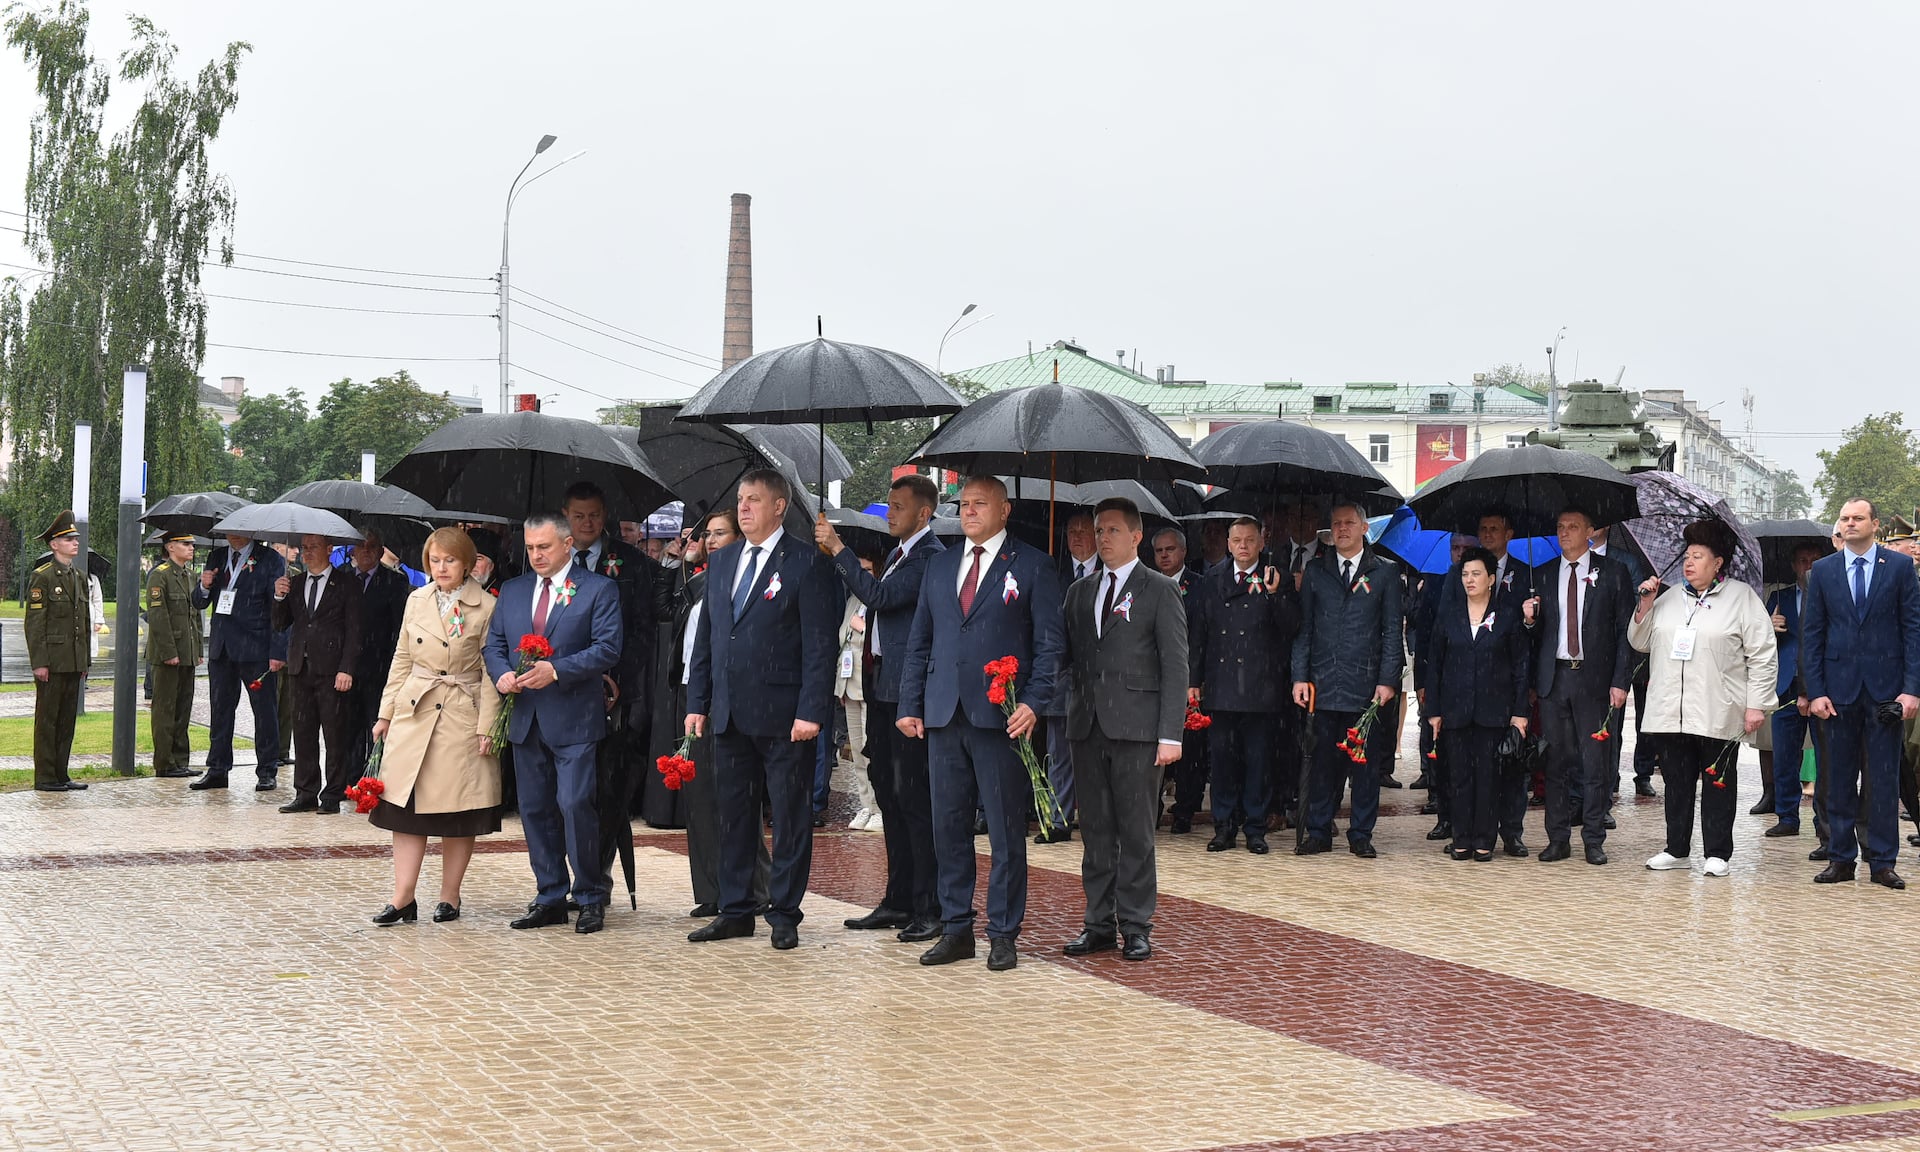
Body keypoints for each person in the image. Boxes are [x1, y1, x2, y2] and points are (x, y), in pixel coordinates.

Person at [898, 475, 1065, 972]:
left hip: (1002, 717)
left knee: (1005, 830)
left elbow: (1050, 646)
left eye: (979, 504)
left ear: (1004, 510)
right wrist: (910, 703)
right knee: (948, 827)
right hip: (944, 713)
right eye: (964, 504)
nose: (969, 511)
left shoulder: (1032, 564)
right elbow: (920, 641)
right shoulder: (940, 564)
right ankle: (956, 928)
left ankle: (1003, 932)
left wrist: (1034, 702)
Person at [685, 469, 839, 951]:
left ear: (778, 507)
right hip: (730, 713)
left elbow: (819, 646)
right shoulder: (723, 560)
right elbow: (709, 638)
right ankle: (735, 909)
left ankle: (785, 912)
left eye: (754, 499)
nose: (744, 507)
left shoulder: (806, 563)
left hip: (786, 715)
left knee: (789, 816)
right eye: (741, 499)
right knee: (733, 815)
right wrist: (698, 702)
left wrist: (811, 710)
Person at [817, 474, 947, 942]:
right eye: (889, 505)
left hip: (907, 694)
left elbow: (881, 598)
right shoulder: (897, 555)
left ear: (923, 513)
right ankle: (898, 897)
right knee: (889, 794)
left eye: (898, 506)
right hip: (882, 687)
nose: (889, 514)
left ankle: (928, 905)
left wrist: (838, 549)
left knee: (912, 799)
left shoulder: (929, 557)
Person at [1057, 498, 1186, 963]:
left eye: (1112, 529)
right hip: (1087, 725)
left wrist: (1170, 734)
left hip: (1138, 728)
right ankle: (1097, 923)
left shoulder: (1159, 589)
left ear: (1136, 536)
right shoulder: (1079, 591)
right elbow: (1066, 656)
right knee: (1095, 831)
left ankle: (1135, 924)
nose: (1103, 537)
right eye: (1098, 530)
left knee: (1135, 832)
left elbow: (1175, 664)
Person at [484, 512, 624, 933]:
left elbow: (608, 648)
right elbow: (494, 644)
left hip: (575, 717)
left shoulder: (598, 588)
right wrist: (501, 674)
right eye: (530, 548)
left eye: (544, 546)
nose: (536, 555)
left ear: (567, 544)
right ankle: (549, 895)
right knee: (534, 808)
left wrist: (557, 669)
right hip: (525, 716)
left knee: (575, 804)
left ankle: (590, 895)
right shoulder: (513, 590)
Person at [365, 528, 504, 924]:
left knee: (457, 810)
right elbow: (402, 658)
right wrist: (385, 713)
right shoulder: (416, 599)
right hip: (415, 710)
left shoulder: (487, 606)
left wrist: (487, 726)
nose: (441, 568)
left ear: (468, 563)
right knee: (404, 809)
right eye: (435, 560)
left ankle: (450, 896)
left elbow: (491, 671)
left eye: (450, 560)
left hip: (461, 713)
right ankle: (402, 897)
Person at [1630, 520, 1776, 876]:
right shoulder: (1668, 597)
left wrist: (1756, 704)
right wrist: (1645, 604)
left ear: (1718, 562)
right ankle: (1676, 848)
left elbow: (1762, 653)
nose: (1689, 562)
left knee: (1718, 781)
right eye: (1687, 556)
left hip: (1718, 707)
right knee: (1676, 782)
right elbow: (1640, 642)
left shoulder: (1741, 598)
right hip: (1670, 708)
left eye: (1698, 556)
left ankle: (1717, 853)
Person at [1802, 498, 1920, 890]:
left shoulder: (1899, 567)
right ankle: (1840, 858)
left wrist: (1911, 690)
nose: (1850, 523)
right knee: (1837, 779)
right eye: (1844, 518)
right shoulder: (1823, 570)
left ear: (1875, 524)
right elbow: (1812, 634)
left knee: (1883, 780)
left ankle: (1882, 862)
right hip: (1837, 692)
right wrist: (1815, 691)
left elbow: (1913, 630)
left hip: (1887, 691)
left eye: (1858, 518)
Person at [562, 481, 674, 896]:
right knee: (567, 794)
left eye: (594, 515)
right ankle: (564, 878)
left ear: (605, 515)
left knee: (607, 790)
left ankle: (595, 880)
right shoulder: (551, 562)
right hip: (563, 692)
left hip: (617, 696)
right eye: (578, 516)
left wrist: (616, 675)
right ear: (566, 516)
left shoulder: (631, 562)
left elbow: (645, 629)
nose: (587, 523)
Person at [1521, 508, 1635, 866]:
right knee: (1555, 762)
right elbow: (1534, 637)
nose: (1564, 532)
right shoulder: (1542, 574)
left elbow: (1624, 633)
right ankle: (1557, 838)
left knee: (1594, 762)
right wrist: (1529, 621)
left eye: (1572, 527)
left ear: (1589, 532)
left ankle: (1594, 838)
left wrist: (1620, 681)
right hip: (1554, 679)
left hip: (1594, 679)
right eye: (1560, 527)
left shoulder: (1613, 573)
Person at [1291, 501, 1404, 858]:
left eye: (1349, 523)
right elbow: (1304, 629)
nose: (1342, 529)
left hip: (1365, 684)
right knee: (1323, 763)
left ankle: (1361, 833)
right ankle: (1319, 831)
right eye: (1336, 523)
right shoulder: (1316, 570)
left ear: (1364, 528)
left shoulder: (1384, 572)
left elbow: (1391, 630)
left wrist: (1387, 680)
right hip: (1323, 682)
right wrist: (1299, 676)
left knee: (1365, 765)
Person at [673, 509, 770, 917]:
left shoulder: (745, 583)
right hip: (691, 693)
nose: (711, 541)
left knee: (735, 799)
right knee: (700, 798)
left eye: (720, 534)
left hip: (728, 696)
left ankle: (755, 888)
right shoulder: (699, 582)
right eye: (707, 535)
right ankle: (712, 889)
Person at [1188, 516, 1300, 854]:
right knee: (1222, 762)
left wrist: (1276, 595)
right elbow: (1200, 634)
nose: (1243, 546)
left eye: (1250, 540)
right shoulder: (1212, 579)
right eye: (1237, 540)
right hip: (1221, 684)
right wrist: (1193, 680)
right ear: (1228, 543)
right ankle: (1223, 826)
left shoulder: (1275, 576)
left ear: (1261, 542)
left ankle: (1255, 827)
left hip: (1260, 684)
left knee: (1258, 762)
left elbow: (1292, 627)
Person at [1419, 547, 1533, 861]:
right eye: (1465, 574)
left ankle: (1484, 839)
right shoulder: (1449, 615)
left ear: (1491, 579)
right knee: (1457, 777)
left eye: (1477, 574)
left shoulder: (1507, 615)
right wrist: (1434, 711)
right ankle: (1461, 838)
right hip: (1454, 710)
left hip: (1494, 711)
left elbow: (1521, 667)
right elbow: (1435, 665)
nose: (1470, 580)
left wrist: (1519, 713)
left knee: (1488, 778)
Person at [272, 534, 365, 814]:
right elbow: (280, 623)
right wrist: (279, 596)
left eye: (313, 547)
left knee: (334, 734)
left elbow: (355, 630)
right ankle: (305, 792)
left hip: (332, 669)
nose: (307, 552)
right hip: (300, 668)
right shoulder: (297, 582)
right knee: (303, 733)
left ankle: (333, 794)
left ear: (329, 549)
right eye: (304, 548)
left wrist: (346, 668)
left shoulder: (346, 583)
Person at [191, 530, 287, 792]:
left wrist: (278, 651)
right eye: (228, 530)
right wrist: (204, 586)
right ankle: (217, 768)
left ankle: (267, 770)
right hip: (222, 648)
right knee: (220, 710)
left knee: (264, 712)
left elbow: (279, 607)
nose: (233, 535)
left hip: (255, 647)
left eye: (239, 530)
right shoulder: (217, 556)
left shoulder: (269, 558)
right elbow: (199, 602)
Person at [1039, 510, 1100, 844]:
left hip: (1100, 680)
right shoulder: (1053, 573)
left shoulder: (1108, 573)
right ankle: (1058, 818)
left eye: (1083, 530)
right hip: (1061, 678)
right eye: (1071, 531)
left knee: (1095, 755)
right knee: (1059, 754)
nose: (1077, 536)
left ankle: (1096, 819)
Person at [25, 511, 91, 793]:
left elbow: (84, 622)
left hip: (73, 660)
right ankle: (45, 777)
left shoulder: (79, 576)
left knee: (66, 721)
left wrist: (84, 660)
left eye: (75, 538)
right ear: (54, 544)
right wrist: (39, 662)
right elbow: (35, 624)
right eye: (68, 539)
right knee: (48, 721)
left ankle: (61, 774)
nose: (75, 542)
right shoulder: (43, 577)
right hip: (52, 662)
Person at [1764, 544, 1826, 841]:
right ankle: (1787, 816)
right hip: (1787, 684)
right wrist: (1769, 627)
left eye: (1814, 560)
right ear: (1793, 565)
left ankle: (1823, 821)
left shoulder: (1830, 593)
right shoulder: (1780, 597)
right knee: (1784, 756)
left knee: (1826, 756)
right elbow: (1758, 642)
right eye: (1803, 561)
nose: (1808, 566)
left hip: (1822, 686)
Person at [1150, 526, 1208, 831]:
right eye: (1159, 550)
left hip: (1187, 676)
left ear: (1184, 551)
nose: (1164, 555)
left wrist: (1195, 678)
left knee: (1188, 747)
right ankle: (1152, 806)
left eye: (1170, 549)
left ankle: (1185, 808)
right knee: (1152, 745)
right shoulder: (1146, 583)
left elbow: (1201, 635)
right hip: (1152, 677)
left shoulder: (1199, 585)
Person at [344, 532, 412, 785]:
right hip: (347, 666)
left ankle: (374, 775)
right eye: (360, 546)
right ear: (352, 550)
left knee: (376, 721)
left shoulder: (394, 581)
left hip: (379, 664)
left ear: (381, 551)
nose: (365, 552)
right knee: (349, 724)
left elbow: (398, 627)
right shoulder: (343, 576)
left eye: (371, 547)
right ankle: (351, 775)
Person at [145, 530, 204, 780]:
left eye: (192, 544)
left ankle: (180, 760)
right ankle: (165, 763)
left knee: (183, 709)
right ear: (170, 547)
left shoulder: (190, 576)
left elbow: (194, 616)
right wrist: (169, 652)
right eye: (185, 544)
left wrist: (197, 650)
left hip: (187, 652)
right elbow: (158, 617)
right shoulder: (160, 575)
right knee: (165, 711)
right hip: (167, 654)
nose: (191, 548)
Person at [833, 556, 880, 830]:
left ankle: (880, 807)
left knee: (872, 751)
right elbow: (844, 643)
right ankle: (866, 805)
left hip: (870, 686)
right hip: (850, 685)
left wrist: (864, 627)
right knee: (858, 752)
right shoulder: (852, 600)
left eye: (868, 569)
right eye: (859, 570)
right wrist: (840, 683)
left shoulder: (880, 598)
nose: (863, 574)